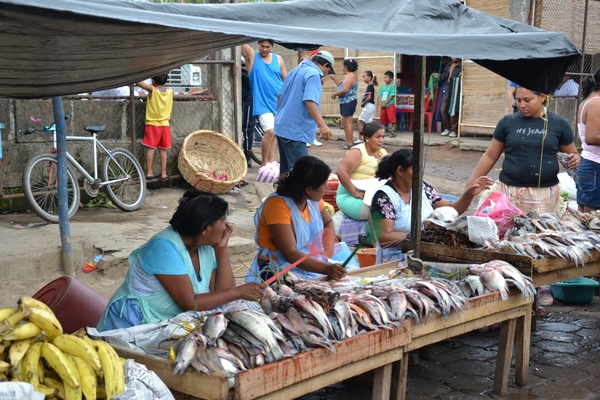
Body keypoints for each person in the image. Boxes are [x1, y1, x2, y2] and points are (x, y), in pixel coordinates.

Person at [97, 190, 264, 331]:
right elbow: (190, 303)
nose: (227, 227)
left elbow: (222, 292)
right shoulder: (164, 248)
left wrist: (221, 250)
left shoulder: (206, 246)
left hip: (165, 323)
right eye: (222, 221)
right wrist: (239, 292)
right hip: (132, 324)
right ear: (204, 229)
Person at [466, 86, 581, 214]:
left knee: (540, 232)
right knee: (505, 230)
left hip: (544, 196)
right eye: (518, 100)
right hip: (509, 192)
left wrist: (576, 158)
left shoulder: (559, 124)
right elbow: (490, 156)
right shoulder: (507, 122)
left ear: (542, 97)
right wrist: (469, 186)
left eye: (527, 100)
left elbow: (572, 153)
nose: (522, 105)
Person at [371, 148, 493, 263]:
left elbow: (451, 209)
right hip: (395, 259)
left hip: (424, 254)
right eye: (415, 170)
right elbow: (384, 237)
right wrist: (422, 233)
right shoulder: (384, 197)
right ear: (400, 171)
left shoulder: (422, 187)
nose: (420, 175)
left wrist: (469, 194)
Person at [245, 156, 347, 283]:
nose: (326, 188)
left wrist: (327, 253)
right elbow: (290, 253)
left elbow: (328, 222)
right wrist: (326, 268)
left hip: (311, 261)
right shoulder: (277, 205)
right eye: (324, 185)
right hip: (279, 267)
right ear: (309, 190)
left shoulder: (312, 200)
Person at [273, 51, 335, 177]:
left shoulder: (295, 71)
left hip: (282, 126)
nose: (326, 74)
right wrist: (322, 125)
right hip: (296, 131)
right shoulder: (313, 75)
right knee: (302, 174)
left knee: (286, 172)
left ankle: (282, 196)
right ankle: (295, 197)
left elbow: (280, 96)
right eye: (328, 71)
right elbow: (309, 101)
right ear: (326, 65)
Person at [241, 40, 287, 166]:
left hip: (278, 101)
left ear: (272, 47)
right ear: (258, 45)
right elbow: (241, 45)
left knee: (276, 133)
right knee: (270, 131)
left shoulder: (278, 59)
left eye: (268, 47)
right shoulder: (252, 57)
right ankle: (264, 163)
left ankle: (271, 162)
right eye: (262, 46)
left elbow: (286, 79)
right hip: (262, 102)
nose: (265, 49)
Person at [336, 122, 387, 221]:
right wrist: (354, 192)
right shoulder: (357, 152)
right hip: (350, 195)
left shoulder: (382, 153)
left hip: (372, 193)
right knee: (381, 210)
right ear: (367, 138)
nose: (381, 140)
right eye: (378, 137)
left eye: (383, 137)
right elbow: (341, 171)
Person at [136, 73, 173, 181]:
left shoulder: (152, 90)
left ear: (152, 81)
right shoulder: (170, 91)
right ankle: (163, 173)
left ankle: (149, 172)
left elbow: (139, 83)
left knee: (151, 149)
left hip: (153, 125)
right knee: (163, 150)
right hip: (165, 125)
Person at [576, 68, 600, 212]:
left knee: (585, 222)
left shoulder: (592, 100)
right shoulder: (597, 103)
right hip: (595, 167)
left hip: (591, 166)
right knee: (593, 223)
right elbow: (592, 137)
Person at [331, 59, 359, 150]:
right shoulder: (350, 76)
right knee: (345, 123)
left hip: (348, 102)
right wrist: (334, 79)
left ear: (346, 67)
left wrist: (335, 94)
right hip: (346, 102)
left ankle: (349, 143)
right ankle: (347, 141)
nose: (342, 68)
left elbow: (345, 90)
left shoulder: (349, 77)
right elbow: (342, 86)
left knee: (348, 123)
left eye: (343, 66)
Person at [436, 57, 461, 137]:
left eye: (454, 56)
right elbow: (444, 76)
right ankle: (447, 128)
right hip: (447, 88)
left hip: (456, 88)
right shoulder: (449, 65)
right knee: (442, 109)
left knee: (453, 109)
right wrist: (438, 76)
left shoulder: (461, 66)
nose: (452, 57)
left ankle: (454, 130)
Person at [241, 58, 258, 168]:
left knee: (247, 127)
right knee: (247, 127)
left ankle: (247, 154)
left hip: (249, 99)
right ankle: (246, 154)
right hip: (242, 98)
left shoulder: (252, 66)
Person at [357, 71, 378, 142]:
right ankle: (369, 139)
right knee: (368, 123)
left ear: (369, 77)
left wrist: (364, 102)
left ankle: (360, 139)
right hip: (371, 106)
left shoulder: (369, 86)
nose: (363, 78)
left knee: (360, 121)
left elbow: (369, 97)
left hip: (369, 105)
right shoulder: (371, 86)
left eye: (364, 77)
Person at [379, 70, 396, 137]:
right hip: (383, 105)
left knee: (392, 118)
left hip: (390, 105)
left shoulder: (392, 86)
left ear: (391, 79)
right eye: (384, 77)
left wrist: (385, 103)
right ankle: (383, 131)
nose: (384, 79)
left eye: (386, 77)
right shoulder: (383, 86)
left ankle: (393, 130)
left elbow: (391, 96)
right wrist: (381, 103)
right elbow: (380, 94)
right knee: (383, 118)